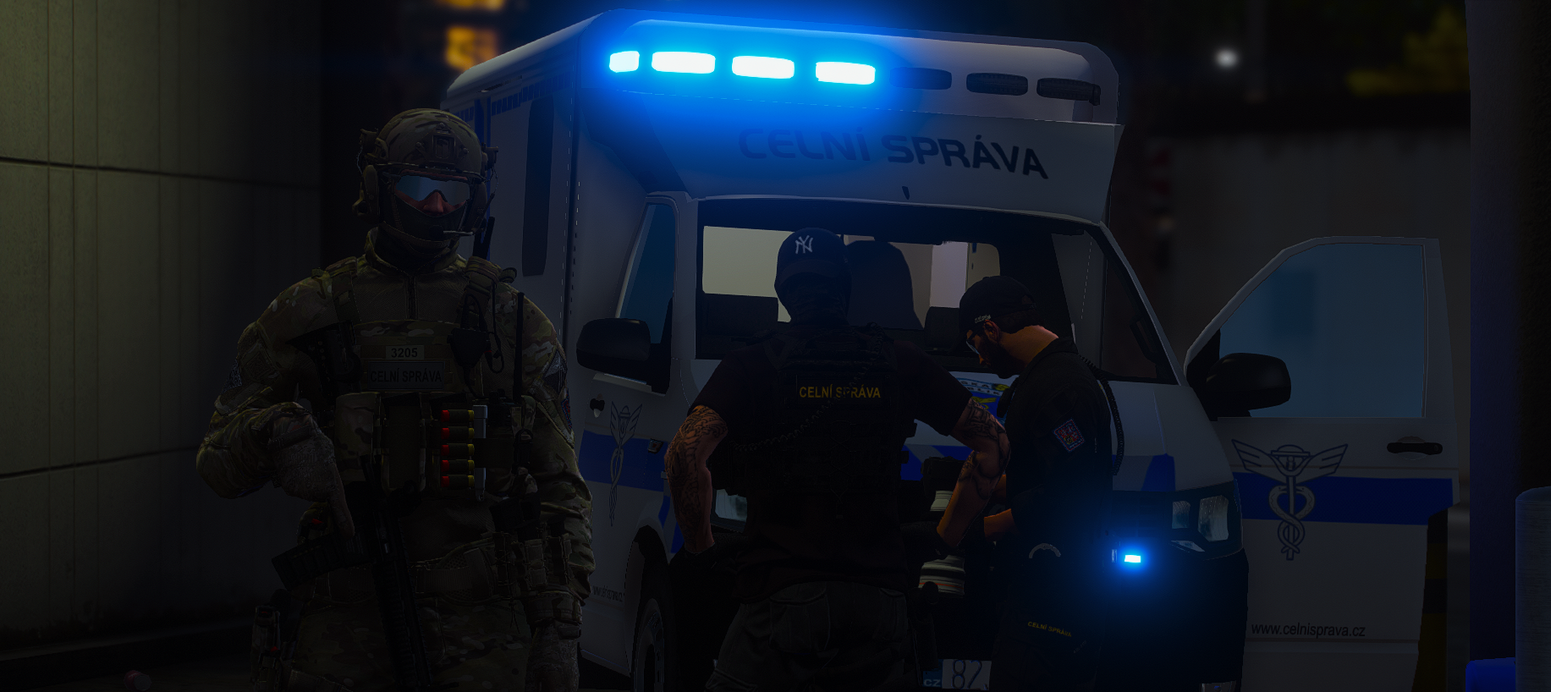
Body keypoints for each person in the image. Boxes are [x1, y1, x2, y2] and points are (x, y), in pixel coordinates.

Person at [196, 108, 592, 692]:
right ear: (379, 186)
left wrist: (560, 627)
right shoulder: (308, 311)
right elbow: (216, 462)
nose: (436, 205)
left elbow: (560, 488)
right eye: (418, 186)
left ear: (477, 199)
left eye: (453, 190)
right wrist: (273, 434)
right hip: (347, 623)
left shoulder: (513, 323)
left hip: (484, 627)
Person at [664, 228, 1010, 692]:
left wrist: (701, 551)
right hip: (880, 605)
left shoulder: (750, 364)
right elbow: (994, 444)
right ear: (845, 288)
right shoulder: (901, 360)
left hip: (779, 600)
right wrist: (943, 538)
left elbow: (685, 455)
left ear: (782, 291)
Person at [958, 276, 1114, 692]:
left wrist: (979, 531)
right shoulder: (1047, 377)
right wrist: (985, 485)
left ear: (991, 329)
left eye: (975, 344)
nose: (979, 359)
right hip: (1046, 589)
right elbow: (1048, 473)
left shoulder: (1060, 388)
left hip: (1054, 600)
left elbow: (1069, 495)